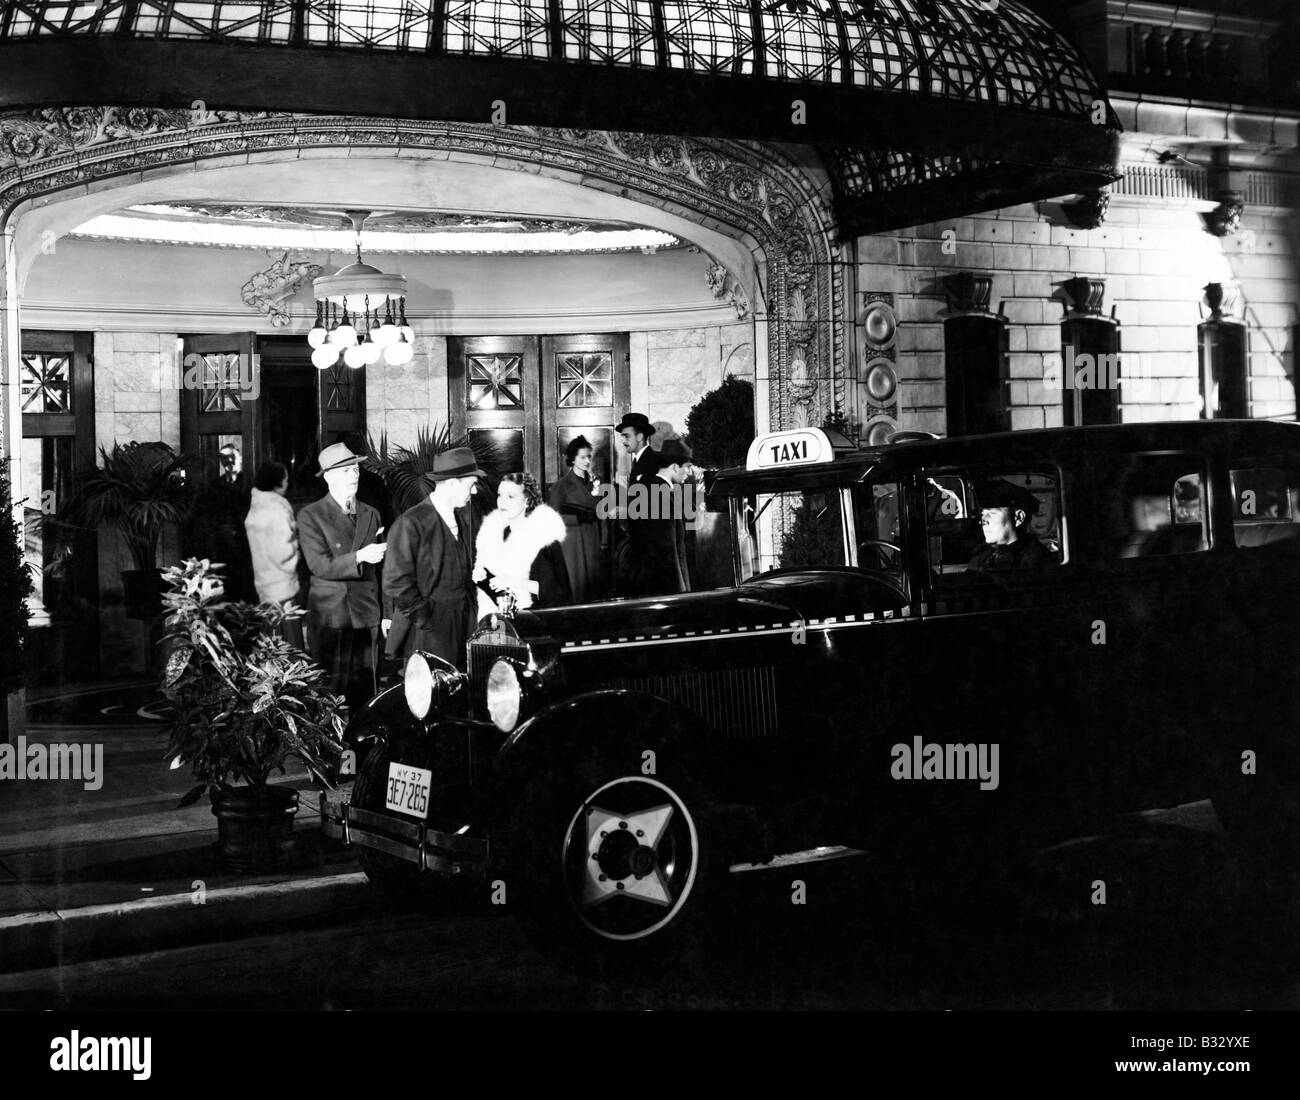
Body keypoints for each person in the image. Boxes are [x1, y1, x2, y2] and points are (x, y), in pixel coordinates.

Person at [297, 442, 387, 706]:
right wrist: (359, 556)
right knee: (331, 693)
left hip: (367, 613)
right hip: (332, 615)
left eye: (356, 469)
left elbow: (382, 571)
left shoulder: (372, 514)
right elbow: (319, 565)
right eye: (346, 470)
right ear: (328, 477)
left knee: (366, 691)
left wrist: (388, 612)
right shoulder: (311, 516)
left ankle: (362, 746)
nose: (355, 476)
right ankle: (335, 747)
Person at [382, 446, 484, 670]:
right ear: (452, 483)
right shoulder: (411, 522)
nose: (474, 492)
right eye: (471, 485)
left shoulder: (464, 516)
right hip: (429, 629)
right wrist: (426, 619)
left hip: (464, 623)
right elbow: (396, 582)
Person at [474, 472, 571, 618]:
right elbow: (503, 593)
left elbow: (554, 592)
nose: (502, 502)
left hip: (540, 624)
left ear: (526, 501)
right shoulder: (501, 535)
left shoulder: (544, 539)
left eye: (511, 496)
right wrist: (484, 579)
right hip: (511, 623)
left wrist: (511, 582)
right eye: (500, 495)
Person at [243, 460, 304, 648]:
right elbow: (283, 552)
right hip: (281, 585)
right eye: (285, 479)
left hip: (264, 581)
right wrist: (298, 551)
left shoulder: (257, 505)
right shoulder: (277, 508)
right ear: (278, 482)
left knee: (270, 637)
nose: (287, 483)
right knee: (289, 643)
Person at [624, 438, 693, 597]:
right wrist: (679, 594)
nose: (689, 473)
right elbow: (666, 553)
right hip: (664, 588)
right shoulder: (660, 494)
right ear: (675, 467)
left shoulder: (656, 489)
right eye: (687, 467)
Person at [549, 435, 604, 603]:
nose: (587, 461)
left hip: (594, 543)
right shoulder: (561, 486)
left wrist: (604, 542)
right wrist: (577, 518)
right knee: (577, 589)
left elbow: (603, 515)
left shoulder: (597, 483)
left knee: (594, 590)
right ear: (572, 459)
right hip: (573, 547)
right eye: (582, 457)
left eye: (589, 456)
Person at [967, 480, 1053, 574]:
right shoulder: (983, 553)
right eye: (983, 513)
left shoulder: (1035, 560)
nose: (982, 521)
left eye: (992, 513)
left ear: (1018, 518)